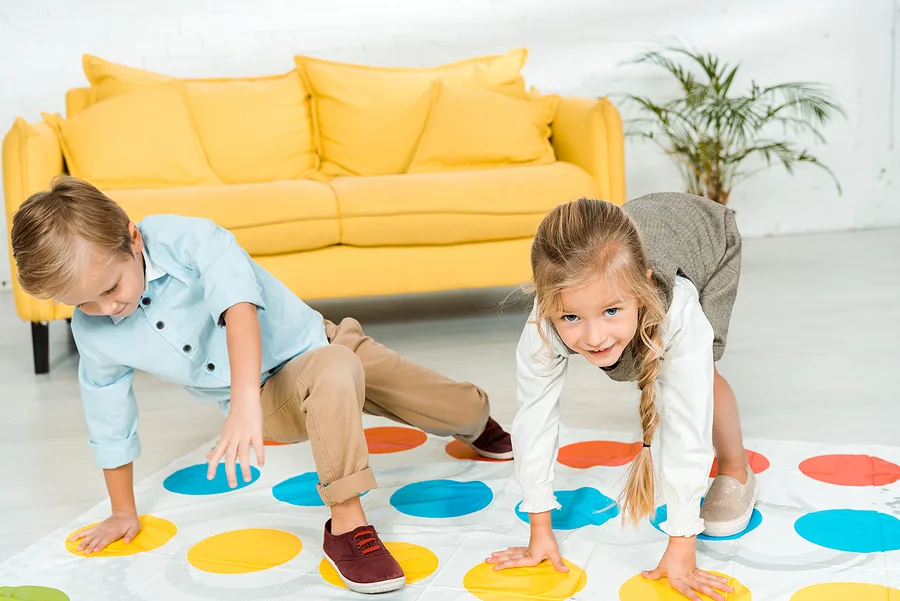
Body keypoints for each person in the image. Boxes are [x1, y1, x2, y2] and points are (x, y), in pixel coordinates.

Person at [11, 175, 514, 595]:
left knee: (462, 408)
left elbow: (239, 309)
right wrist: (123, 510)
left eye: (110, 289)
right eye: (84, 304)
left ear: (133, 239)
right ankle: (348, 524)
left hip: (324, 341)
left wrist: (241, 408)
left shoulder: (191, 240)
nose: (106, 310)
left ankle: (472, 422)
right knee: (334, 370)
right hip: (277, 395)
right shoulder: (95, 331)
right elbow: (108, 413)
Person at [488, 193, 756, 601]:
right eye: (572, 317)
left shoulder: (676, 310)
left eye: (611, 311)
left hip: (708, 239)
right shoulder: (542, 326)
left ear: (644, 284)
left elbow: (686, 419)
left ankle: (737, 469)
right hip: (649, 245)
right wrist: (539, 528)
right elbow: (533, 418)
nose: (594, 338)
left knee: (700, 374)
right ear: (546, 303)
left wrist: (682, 543)